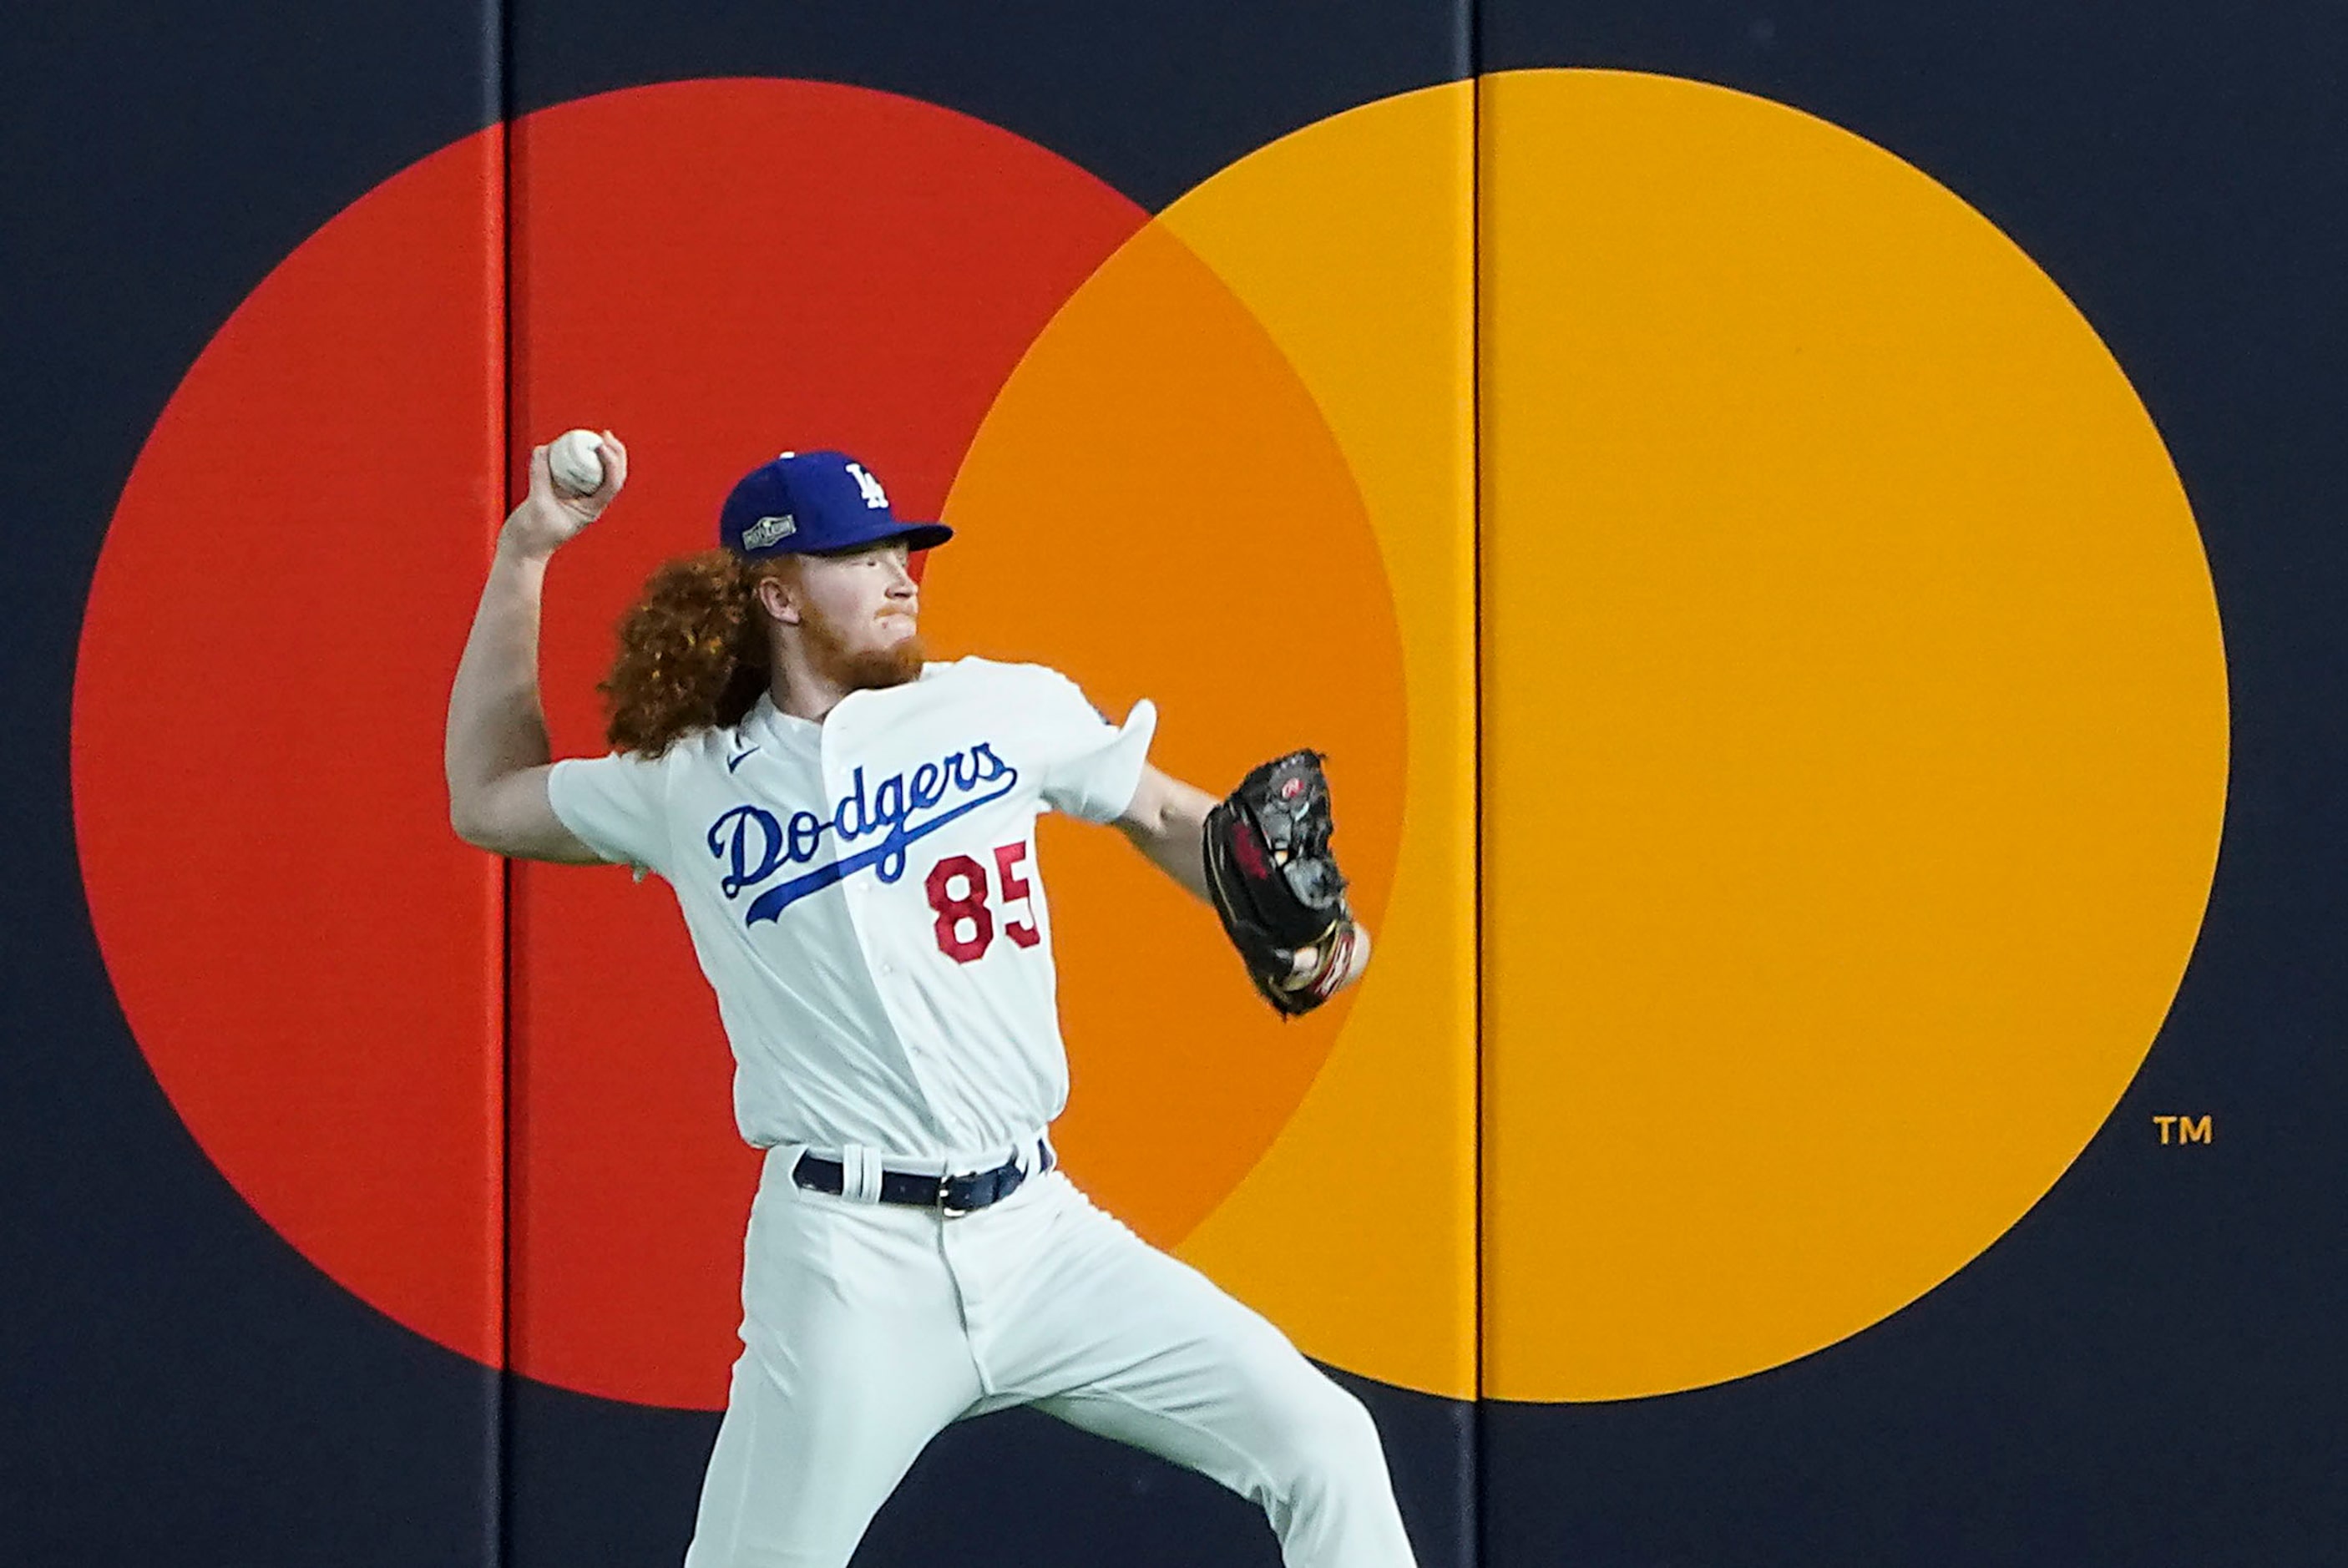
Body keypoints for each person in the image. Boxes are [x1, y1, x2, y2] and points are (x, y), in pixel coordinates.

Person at [444, 435, 1418, 1567]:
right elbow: (488, 796)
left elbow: (1166, 818)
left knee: (1327, 1444)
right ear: (778, 591)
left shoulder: (1002, 707)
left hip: (1042, 1233)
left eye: (904, 548)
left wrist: (1315, 938)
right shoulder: (685, 781)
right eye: (864, 554)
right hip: (849, 1261)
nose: (904, 572)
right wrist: (527, 551)